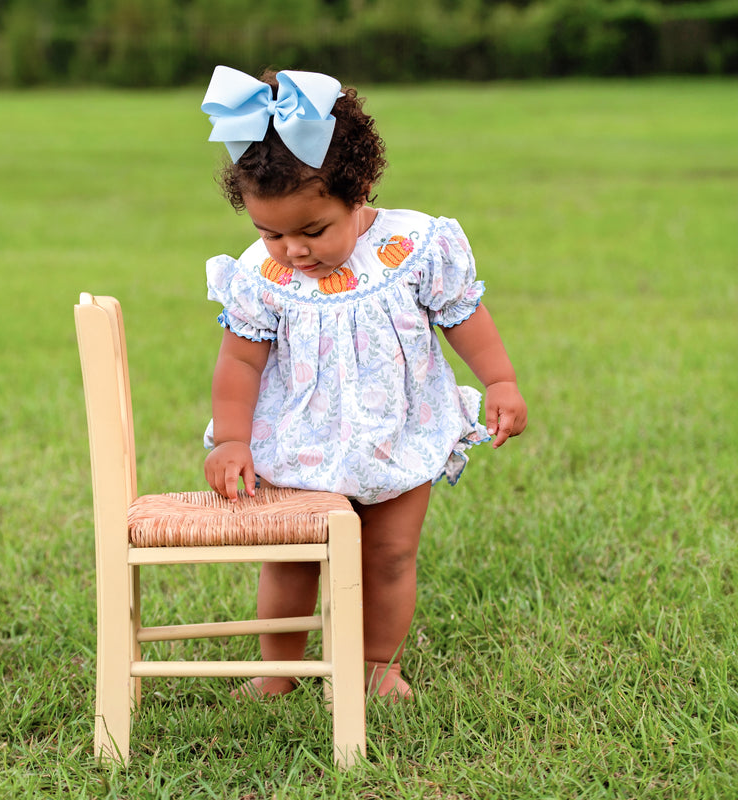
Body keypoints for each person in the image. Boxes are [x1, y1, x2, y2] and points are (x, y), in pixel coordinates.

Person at [200, 66, 527, 700]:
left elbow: (464, 317)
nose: (292, 250)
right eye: (271, 233)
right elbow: (240, 363)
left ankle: (378, 665)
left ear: (360, 189)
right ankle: (278, 669)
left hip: (396, 433)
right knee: (292, 558)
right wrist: (232, 441)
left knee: (389, 556)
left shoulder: (414, 248)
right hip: (299, 445)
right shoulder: (262, 275)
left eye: (312, 230)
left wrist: (501, 380)